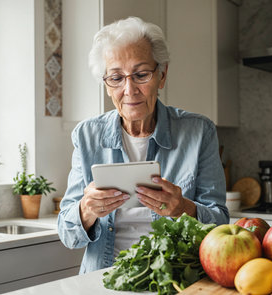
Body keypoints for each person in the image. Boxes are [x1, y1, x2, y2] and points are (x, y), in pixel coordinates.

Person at [57, 16, 228, 274]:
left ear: (162, 75)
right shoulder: (87, 135)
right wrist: (86, 210)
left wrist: (184, 210)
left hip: (173, 279)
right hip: (104, 279)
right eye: (116, 78)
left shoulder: (199, 132)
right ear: (106, 85)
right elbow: (68, 235)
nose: (129, 89)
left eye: (141, 75)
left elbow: (221, 226)